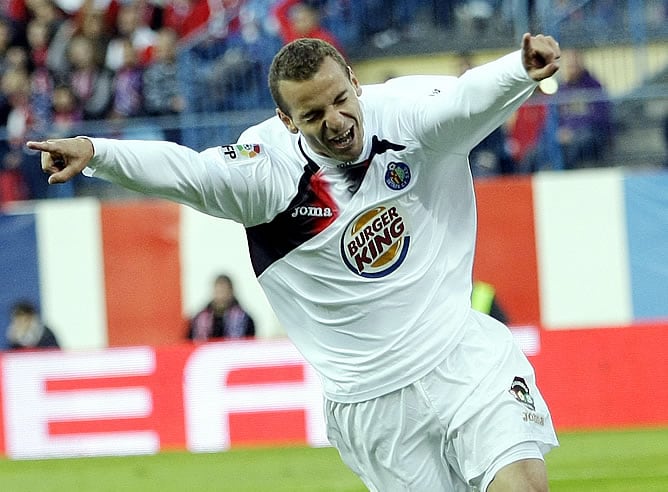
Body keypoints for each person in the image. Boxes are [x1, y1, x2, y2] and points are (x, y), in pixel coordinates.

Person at [27, 33, 561, 491]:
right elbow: (188, 171)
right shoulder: (267, 176)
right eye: (312, 115)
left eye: (339, 100)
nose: (336, 122)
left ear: (353, 79)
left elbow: (467, 99)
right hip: (370, 402)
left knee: (522, 482)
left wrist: (521, 68)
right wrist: (98, 153)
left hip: (459, 353)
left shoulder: (406, 114)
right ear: (286, 119)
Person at [555, 48, 612, 169]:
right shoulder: (561, 90)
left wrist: (573, 131)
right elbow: (554, 117)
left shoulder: (593, 86)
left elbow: (600, 116)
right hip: (566, 135)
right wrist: (560, 131)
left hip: (592, 134)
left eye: (574, 65)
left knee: (577, 144)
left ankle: (564, 176)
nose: (571, 69)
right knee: (536, 151)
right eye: (568, 66)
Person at [187, 274, 256, 342]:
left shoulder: (245, 319)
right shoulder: (198, 320)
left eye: (224, 291)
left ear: (231, 292)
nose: (221, 296)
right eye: (218, 291)